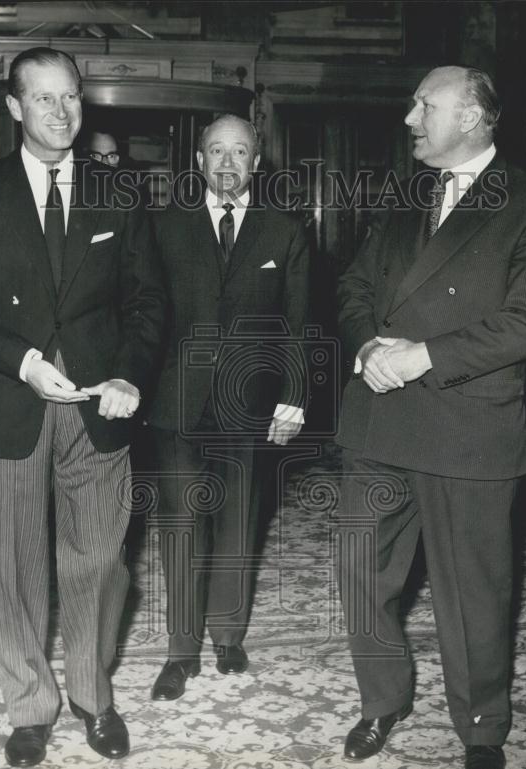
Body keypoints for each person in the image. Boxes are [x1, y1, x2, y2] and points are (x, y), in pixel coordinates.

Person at [0, 47, 165, 766]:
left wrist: (128, 375)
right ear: (13, 109)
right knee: (15, 564)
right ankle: (30, 706)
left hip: (100, 407)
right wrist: (25, 362)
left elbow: (149, 302)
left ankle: (94, 698)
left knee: (98, 557)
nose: (61, 113)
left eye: (70, 98)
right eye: (43, 100)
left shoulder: (119, 194)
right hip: (8, 402)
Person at [335, 66, 526, 768]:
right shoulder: (404, 193)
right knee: (359, 569)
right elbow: (352, 285)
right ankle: (383, 699)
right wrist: (369, 345)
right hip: (382, 419)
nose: (409, 117)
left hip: (469, 424)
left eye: (424, 105)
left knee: (474, 590)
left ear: (470, 117)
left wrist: (423, 355)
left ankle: (480, 726)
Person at [145, 114, 309, 701]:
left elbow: (298, 321)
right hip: (177, 404)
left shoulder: (285, 232)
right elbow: (146, 316)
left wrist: (294, 396)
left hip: (251, 404)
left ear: (256, 163)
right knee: (182, 525)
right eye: (216, 151)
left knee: (240, 524)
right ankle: (180, 651)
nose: (227, 162)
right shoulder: (163, 228)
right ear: (198, 162)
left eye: (239, 152)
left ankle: (228, 635)